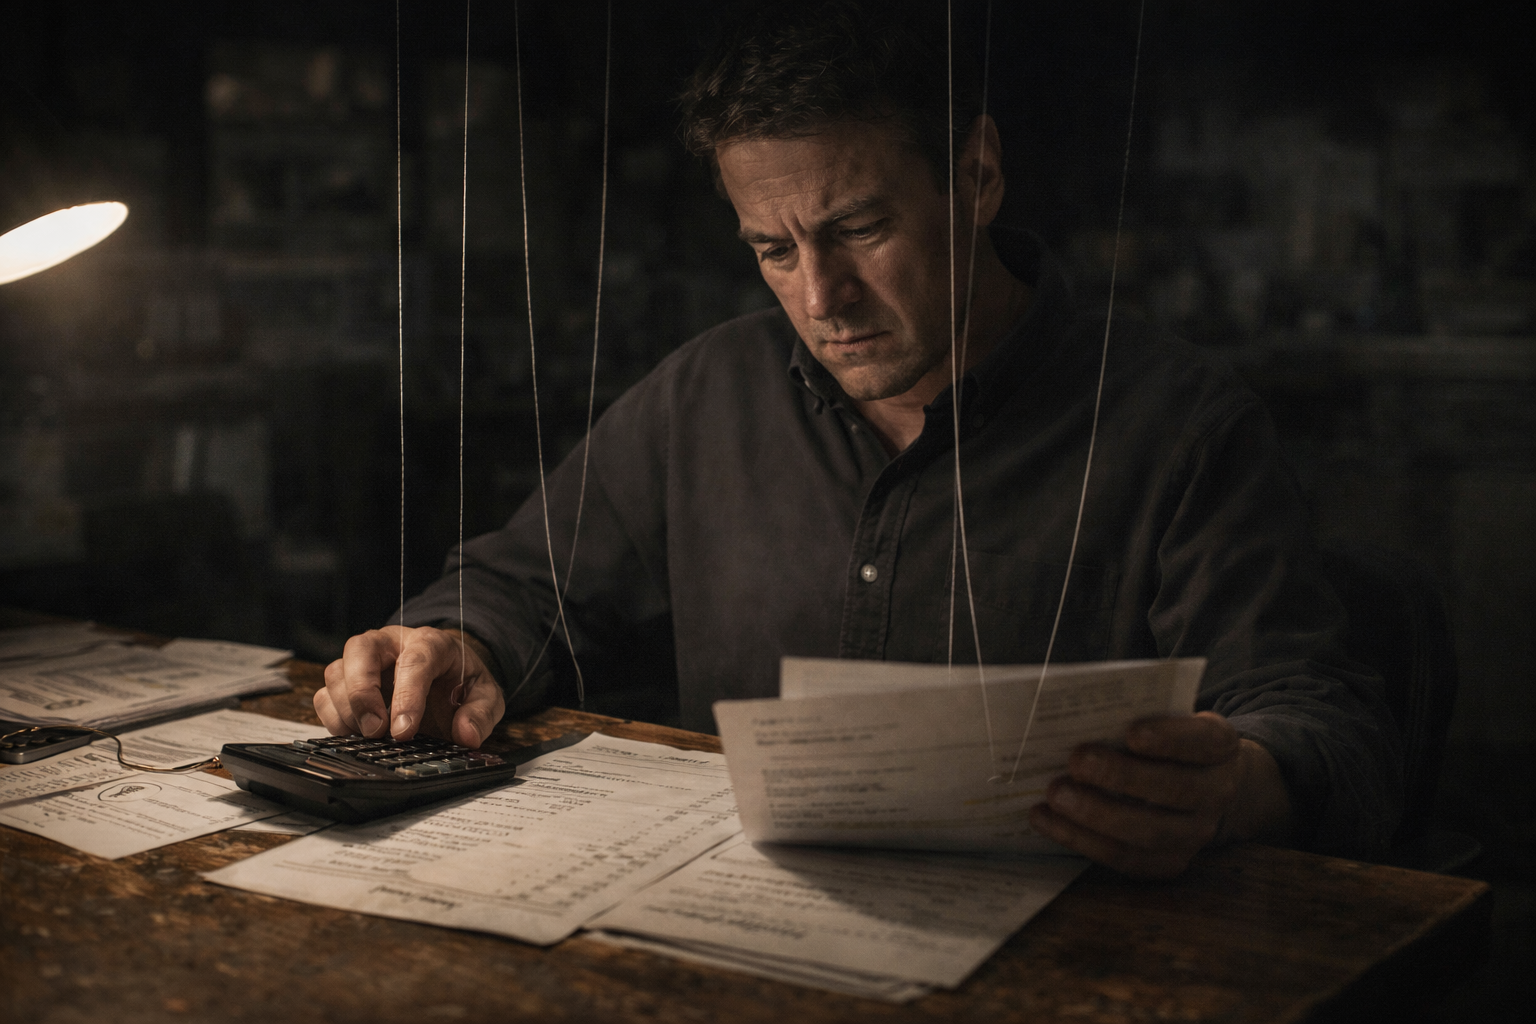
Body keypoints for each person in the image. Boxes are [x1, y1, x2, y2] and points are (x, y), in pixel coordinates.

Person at [316, 1, 1402, 878]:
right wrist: (454, 640)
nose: (821, 294)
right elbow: (525, 584)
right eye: (772, 249)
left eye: (860, 230)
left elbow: (1320, 720)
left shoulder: (1178, 427)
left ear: (976, 176)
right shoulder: (711, 393)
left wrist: (1234, 785)